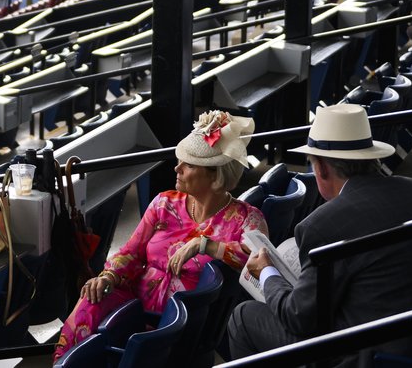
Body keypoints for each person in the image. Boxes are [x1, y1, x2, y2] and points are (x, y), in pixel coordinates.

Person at [228, 104, 412, 367]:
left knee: (242, 319)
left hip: (373, 356)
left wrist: (267, 273)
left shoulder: (322, 225)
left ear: (323, 170)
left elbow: (297, 317)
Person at [54, 111, 265, 360]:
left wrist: (207, 245)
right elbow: (131, 252)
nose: (177, 168)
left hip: (182, 327)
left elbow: (261, 265)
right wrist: (108, 276)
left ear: (215, 176)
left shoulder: (246, 219)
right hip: (137, 304)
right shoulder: (164, 203)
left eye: (189, 164)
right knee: (90, 300)